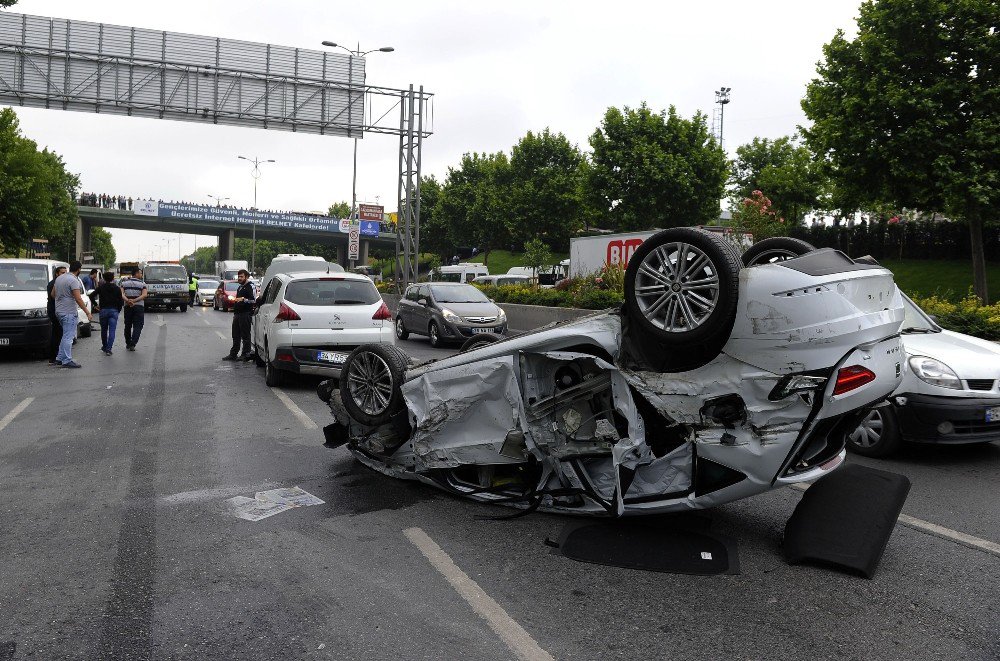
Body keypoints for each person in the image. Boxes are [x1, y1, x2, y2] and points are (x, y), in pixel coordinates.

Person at [53, 261, 92, 368]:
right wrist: (87, 312)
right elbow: (78, 298)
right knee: (68, 337)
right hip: (69, 312)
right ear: (79, 269)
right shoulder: (74, 280)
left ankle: (60, 358)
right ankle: (66, 360)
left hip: (59, 311)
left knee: (65, 335)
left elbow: (53, 294)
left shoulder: (59, 279)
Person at [224, 269, 255, 361]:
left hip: (245, 314)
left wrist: (243, 299)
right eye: (239, 276)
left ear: (246, 277)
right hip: (237, 314)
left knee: (245, 335)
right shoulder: (240, 287)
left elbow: (253, 300)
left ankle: (245, 354)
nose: (240, 278)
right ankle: (233, 354)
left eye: (241, 276)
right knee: (235, 335)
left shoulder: (251, 286)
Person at [95, 271, 124, 355]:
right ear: (113, 278)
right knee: (112, 330)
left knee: (104, 330)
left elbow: (91, 295)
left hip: (103, 310)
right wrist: (118, 310)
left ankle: (104, 346)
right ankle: (109, 349)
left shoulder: (101, 287)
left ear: (103, 278)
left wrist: (95, 305)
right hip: (113, 311)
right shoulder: (117, 288)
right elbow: (121, 301)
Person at [120, 267, 147, 352]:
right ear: (136, 274)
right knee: (138, 326)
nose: (141, 275)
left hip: (128, 307)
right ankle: (133, 343)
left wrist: (128, 301)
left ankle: (128, 343)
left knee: (127, 325)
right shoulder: (143, 284)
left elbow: (121, 294)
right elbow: (144, 295)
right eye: (140, 273)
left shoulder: (124, 283)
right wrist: (134, 301)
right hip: (139, 307)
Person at [46, 265, 67, 364]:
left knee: (59, 333)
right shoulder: (53, 284)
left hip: (59, 310)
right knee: (57, 334)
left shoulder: (59, 282)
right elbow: (55, 297)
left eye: (66, 272)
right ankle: (54, 356)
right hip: (55, 311)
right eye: (63, 273)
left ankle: (56, 356)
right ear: (57, 273)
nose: (64, 274)